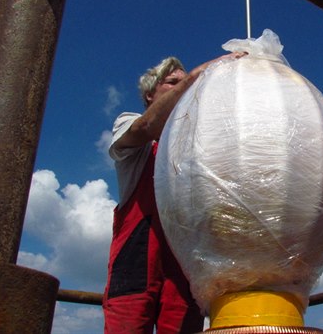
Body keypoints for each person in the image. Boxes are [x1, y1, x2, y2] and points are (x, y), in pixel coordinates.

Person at [103, 52, 245, 333]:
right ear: (149, 96)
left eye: (185, 82)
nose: (185, 87)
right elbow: (147, 126)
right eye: (172, 82)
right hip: (136, 259)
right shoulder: (128, 123)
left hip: (185, 262)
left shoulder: (198, 145)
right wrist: (195, 77)